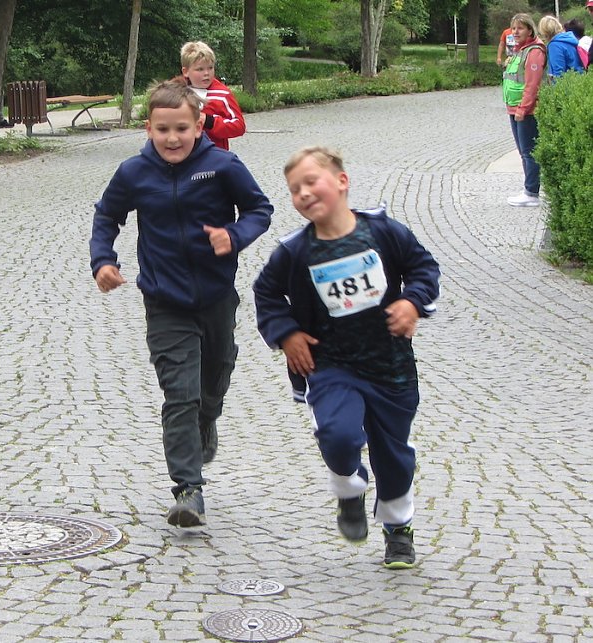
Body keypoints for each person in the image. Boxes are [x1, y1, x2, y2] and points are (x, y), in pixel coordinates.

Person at [90, 80, 273, 528]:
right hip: (164, 299)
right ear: (148, 128)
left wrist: (233, 236)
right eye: (162, 129)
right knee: (180, 394)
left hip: (215, 297)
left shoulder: (223, 166)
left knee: (213, 383)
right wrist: (103, 261)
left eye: (181, 129)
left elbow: (259, 210)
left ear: (198, 126)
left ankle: (208, 420)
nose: (172, 139)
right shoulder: (134, 172)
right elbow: (106, 216)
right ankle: (188, 490)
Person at [252, 146, 440, 569]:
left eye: (311, 182)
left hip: (390, 365)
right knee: (337, 435)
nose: (303, 193)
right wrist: (287, 334)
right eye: (294, 190)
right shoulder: (294, 251)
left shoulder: (384, 232)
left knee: (393, 455)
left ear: (341, 181)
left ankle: (398, 529)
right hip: (330, 364)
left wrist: (412, 302)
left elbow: (424, 269)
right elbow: (265, 293)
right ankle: (349, 488)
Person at [502, 13, 546, 207]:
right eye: (513, 28)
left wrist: (523, 108)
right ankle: (528, 189)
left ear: (530, 29)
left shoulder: (534, 51)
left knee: (529, 151)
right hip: (514, 107)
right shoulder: (520, 51)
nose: (515, 32)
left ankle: (531, 192)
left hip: (526, 110)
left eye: (520, 28)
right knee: (524, 151)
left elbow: (532, 84)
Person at [180, 41, 246, 151]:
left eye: (210, 68)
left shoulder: (223, 94)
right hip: (183, 156)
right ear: (186, 71)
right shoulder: (177, 90)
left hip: (214, 155)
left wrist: (210, 121)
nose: (206, 73)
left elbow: (239, 126)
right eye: (200, 69)